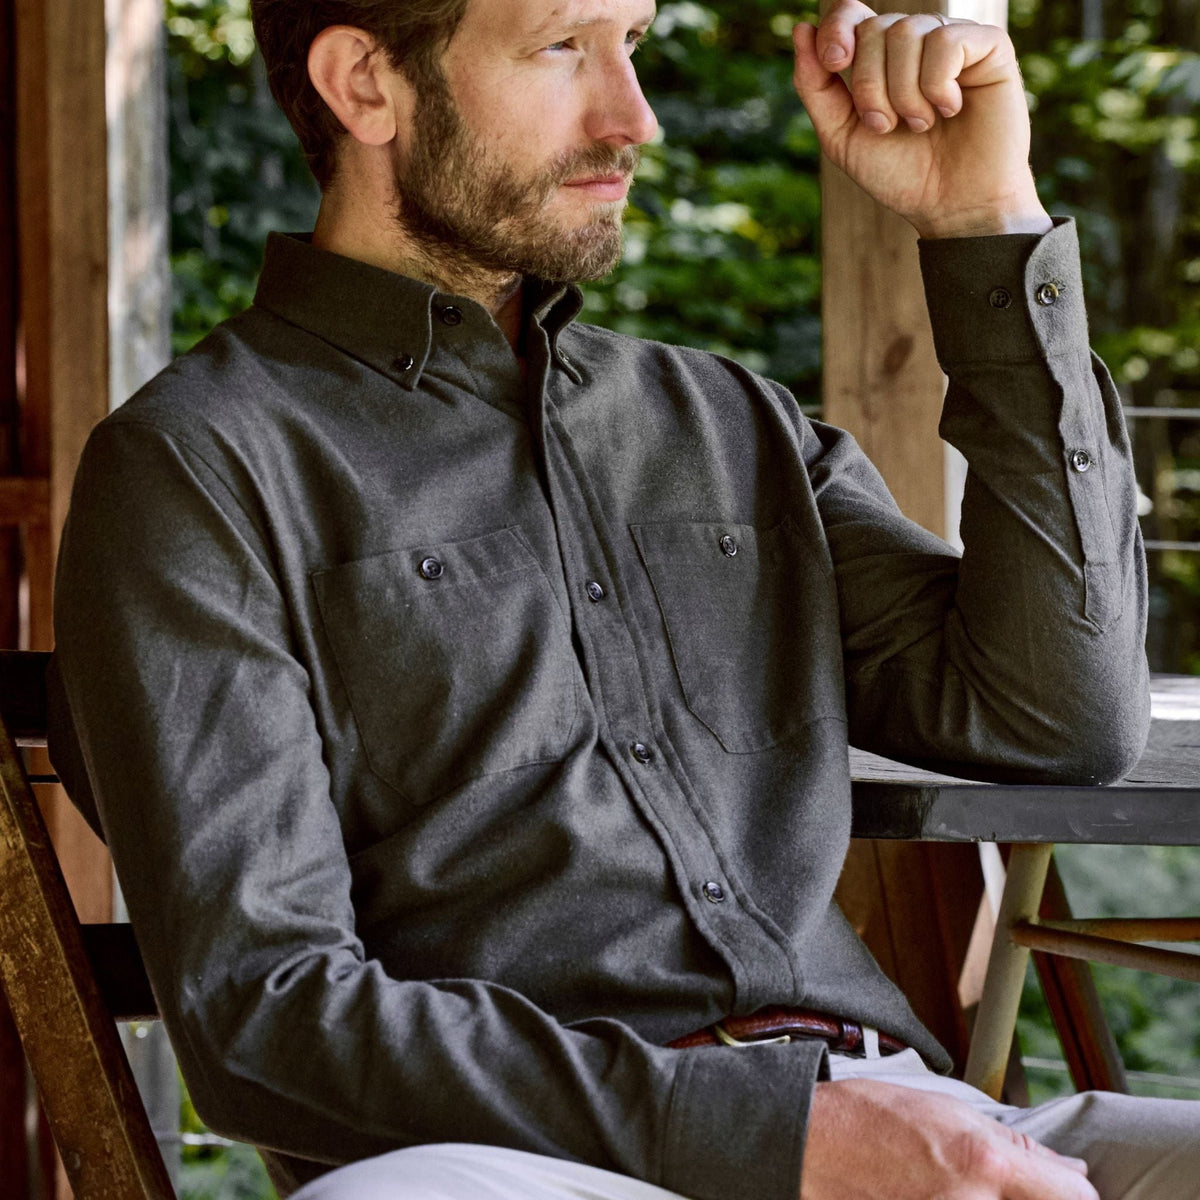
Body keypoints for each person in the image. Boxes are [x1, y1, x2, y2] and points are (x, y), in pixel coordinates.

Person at [45, 0, 1200, 1197]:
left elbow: (1059, 714)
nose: (632, 118)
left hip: (911, 1124)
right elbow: (266, 1020)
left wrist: (985, 220)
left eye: (633, 44)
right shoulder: (200, 471)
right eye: (562, 47)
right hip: (529, 1170)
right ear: (365, 85)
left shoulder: (731, 426)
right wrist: (777, 1141)